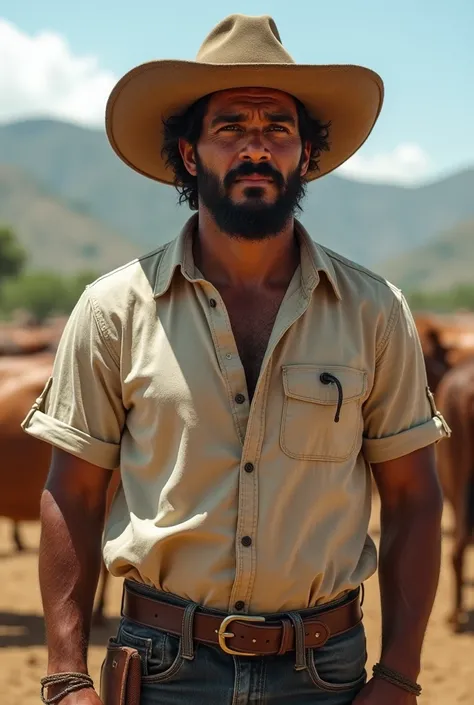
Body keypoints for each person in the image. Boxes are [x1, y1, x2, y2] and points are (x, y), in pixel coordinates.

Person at [24, 13, 451, 705]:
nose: (256, 145)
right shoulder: (114, 309)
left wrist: (399, 675)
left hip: (326, 672)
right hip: (161, 669)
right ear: (191, 155)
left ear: (305, 155)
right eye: (230, 127)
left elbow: (412, 495)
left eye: (277, 127)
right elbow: (72, 491)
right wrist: (67, 675)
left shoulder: (374, 310)